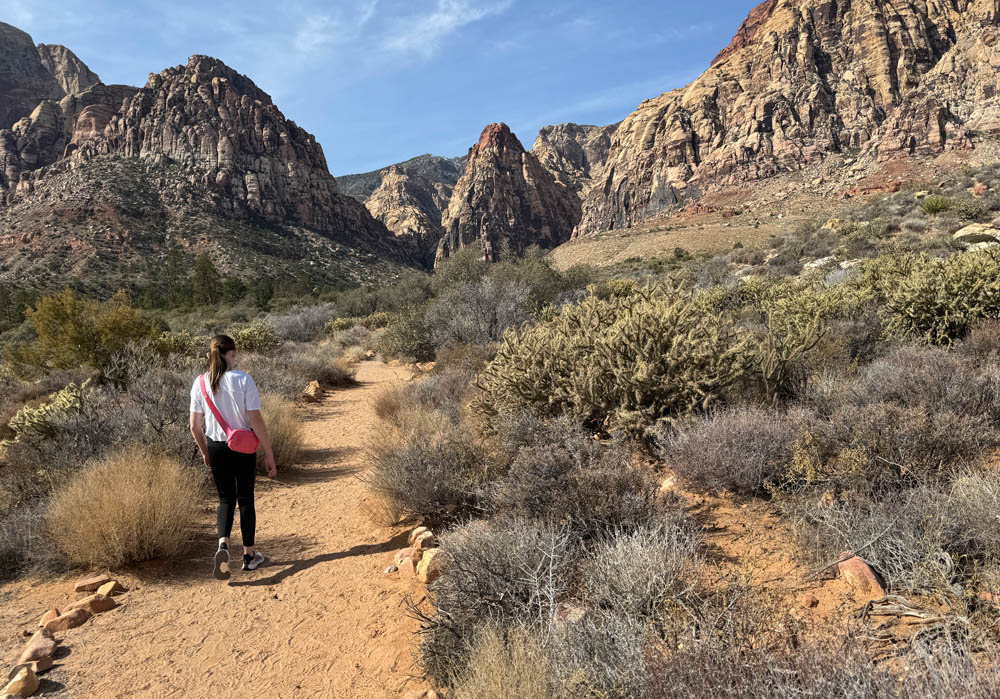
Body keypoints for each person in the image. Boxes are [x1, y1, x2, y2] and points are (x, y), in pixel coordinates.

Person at [189, 335, 277, 580]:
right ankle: (249, 557)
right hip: (243, 445)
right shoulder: (244, 379)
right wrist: (268, 451)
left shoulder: (200, 383)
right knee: (246, 497)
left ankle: (223, 545)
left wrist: (206, 451)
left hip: (216, 446)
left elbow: (195, 426)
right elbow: (255, 419)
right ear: (233, 353)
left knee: (225, 498)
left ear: (210, 355)